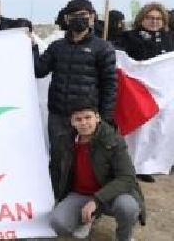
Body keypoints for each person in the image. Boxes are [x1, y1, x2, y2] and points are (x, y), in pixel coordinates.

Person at [49, 102, 145, 241]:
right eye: (78, 119)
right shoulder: (64, 140)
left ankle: (124, 237)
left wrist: (96, 200)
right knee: (58, 223)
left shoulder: (113, 139)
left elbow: (127, 177)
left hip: (111, 194)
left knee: (127, 207)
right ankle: (87, 218)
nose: (84, 123)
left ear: (97, 117)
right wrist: (57, 197)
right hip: (79, 193)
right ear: (72, 122)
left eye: (88, 117)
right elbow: (55, 170)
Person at [33, 0, 117, 152]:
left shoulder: (103, 48)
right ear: (66, 19)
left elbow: (109, 85)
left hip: (87, 117)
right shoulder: (56, 46)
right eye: (73, 16)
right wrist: (32, 47)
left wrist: (105, 117)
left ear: (92, 17)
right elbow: (39, 71)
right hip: (59, 115)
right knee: (59, 160)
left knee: (87, 160)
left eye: (83, 14)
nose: (79, 19)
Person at [114, 3, 173, 183]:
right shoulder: (128, 38)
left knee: (163, 127)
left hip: (165, 91)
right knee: (141, 129)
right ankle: (138, 165)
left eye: (158, 19)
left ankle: (160, 162)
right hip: (139, 91)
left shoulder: (170, 38)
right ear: (142, 19)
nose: (154, 22)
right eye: (150, 18)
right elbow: (121, 58)